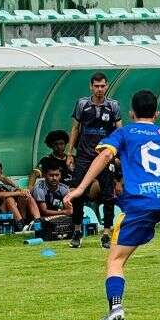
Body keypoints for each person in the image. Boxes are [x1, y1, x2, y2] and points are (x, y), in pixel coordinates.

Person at [67, 90, 160, 320]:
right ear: (157, 114)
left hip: (141, 200)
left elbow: (105, 155)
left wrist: (80, 188)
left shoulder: (124, 133)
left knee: (116, 259)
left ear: (131, 113)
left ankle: (116, 307)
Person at [69, 72, 121, 246]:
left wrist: (117, 154)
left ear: (107, 86)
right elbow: (75, 129)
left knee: (108, 195)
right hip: (84, 156)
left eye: (103, 86)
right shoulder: (82, 104)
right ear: (91, 86)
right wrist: (70, 153)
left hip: (105, 156)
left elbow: (119, 131)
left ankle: (106, 233)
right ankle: (77, 231)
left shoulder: (113, 106)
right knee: (78, 193)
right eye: (96, 86)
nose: (100, 89)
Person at [0, 160, 39, 233]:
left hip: (8, 218)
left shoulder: (2, 186)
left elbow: (18, 191)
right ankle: (21, 226)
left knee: (26, 196)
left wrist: (23, 192)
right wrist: (17, 193)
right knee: (9, 199)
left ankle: (37, 222)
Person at [33, 158, 77, 242]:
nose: (54, 178)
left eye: (57, 175)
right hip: (41, 220)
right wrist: (64, 212)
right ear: (45, 175)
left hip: (58, 219)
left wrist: (69, 210)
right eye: (51, 175)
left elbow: (68, 209)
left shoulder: (63, 188)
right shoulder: (39, 189)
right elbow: (44, 211)